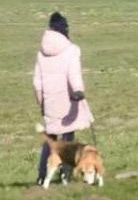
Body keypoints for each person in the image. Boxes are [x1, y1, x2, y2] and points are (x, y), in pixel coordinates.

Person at [33, 12, 94, 184]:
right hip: (68, 100)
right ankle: (66, 172)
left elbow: (37, 81)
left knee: (51, 139)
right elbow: (73, 74)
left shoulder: (41, 52)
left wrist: (41, 101)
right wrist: (78, 91)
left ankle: (42, 174)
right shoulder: (72, 50)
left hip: (50, 101)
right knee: (68, 139)